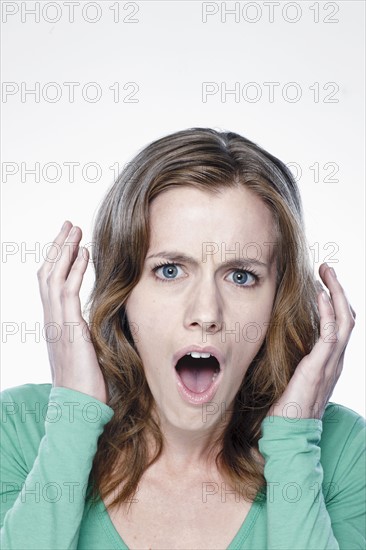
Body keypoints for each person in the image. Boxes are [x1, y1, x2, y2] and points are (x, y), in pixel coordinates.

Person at [0, 128, 364, 550]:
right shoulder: (19, 428)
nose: (206, 314)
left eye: (241, 276)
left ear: (277, 300)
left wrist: (295, 443)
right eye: (170, 270)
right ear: (124, 291)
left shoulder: (343, 451)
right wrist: (72, 422)